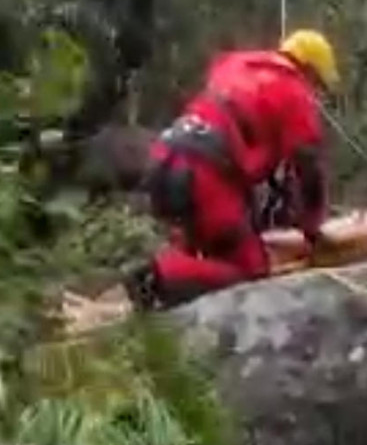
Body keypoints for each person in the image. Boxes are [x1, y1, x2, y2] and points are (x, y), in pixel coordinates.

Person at [123, 29, 339, 309]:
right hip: (206, 175)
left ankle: (166, 283)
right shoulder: (293, 89)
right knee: (251, 274)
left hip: (167, 156)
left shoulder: (237, 63)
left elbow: (233, 117)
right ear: (309, 70)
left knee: (210, 252)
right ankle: (158, 275)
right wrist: (312, 228)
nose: (316, 94)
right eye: (318, 84)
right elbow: (308, 166)